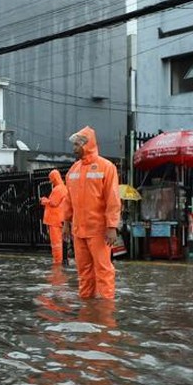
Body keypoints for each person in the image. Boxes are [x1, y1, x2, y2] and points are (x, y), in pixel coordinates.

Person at [61, 126, 120, 299]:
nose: (73, 149)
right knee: (84, 271)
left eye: (76, 145)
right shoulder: (73, 170)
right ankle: (87, 305)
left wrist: (111, 227)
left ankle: (106, 307)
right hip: (79, 231)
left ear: (86, 145)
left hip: (98, 230)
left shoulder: (106, 167)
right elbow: (68, 200)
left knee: (103, 270)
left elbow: (112, 199)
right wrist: (66, 223)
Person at [39, 169, 70, 265]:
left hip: (54, 220)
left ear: (54, 178)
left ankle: (58, 261)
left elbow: (53, 203)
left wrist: (44, 200)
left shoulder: (58, 189)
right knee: (61, 242)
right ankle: (62, 260)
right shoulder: (64, 188)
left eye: (51, 179)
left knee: (56, 243)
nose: (50, 181)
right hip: (59, 219)